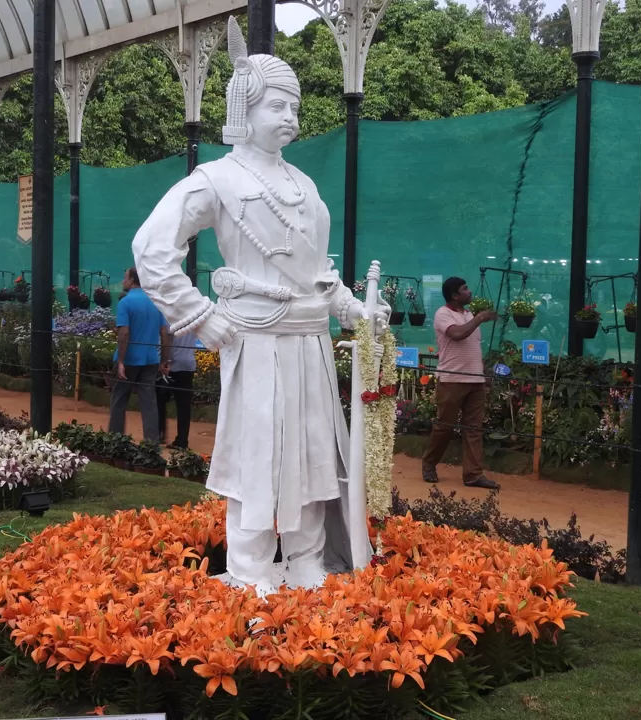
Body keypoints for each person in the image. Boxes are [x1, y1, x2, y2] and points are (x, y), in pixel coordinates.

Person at [132, 17, 389, 593]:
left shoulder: (304, 185)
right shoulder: (215, 179)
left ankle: (306, 561)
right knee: (256, 456)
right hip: (255, 339)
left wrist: (353, 311)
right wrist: (197, 314)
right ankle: (249, 568)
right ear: (243, 107)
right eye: (277, 105)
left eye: (294, 107)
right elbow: (152, 249)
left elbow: (320, 274)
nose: (290, 118)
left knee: (315, 455)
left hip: (312, 343)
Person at [422, 277, 500, 490]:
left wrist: (484, 373)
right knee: (444, 427)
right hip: (452, 380)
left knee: (473, 429)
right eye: (465, 289)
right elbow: (457, 334)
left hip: (475, 381)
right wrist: (480, 319)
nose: (470, 292)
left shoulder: (468, 314)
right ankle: (429, 463)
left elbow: (474, 347)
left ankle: (473, 475)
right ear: (455, 295)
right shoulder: (443, 314)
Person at [109, 267, 170, 441]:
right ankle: (152, 445)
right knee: (149, 403)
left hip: (129, 360)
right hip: (151, 360)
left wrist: (120, 361)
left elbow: (124, 333)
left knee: (119, 401)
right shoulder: (155, 303)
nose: (123, 281)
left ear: (132, 280)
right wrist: (165, 360)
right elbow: (165, 334)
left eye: (125, 278)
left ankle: (115, 442)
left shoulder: (125, 303)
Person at [157, 329, 197, 449]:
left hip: (173, 365)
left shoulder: (171, 318)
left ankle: (160, 432)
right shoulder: (192, 319)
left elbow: (166, 340)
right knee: (184, 406)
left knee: (160, 398)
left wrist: (164, 361)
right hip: (189, 364)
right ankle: (182, 440)